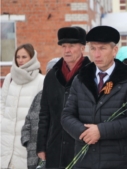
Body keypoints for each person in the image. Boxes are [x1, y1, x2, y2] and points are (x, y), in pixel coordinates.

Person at [61, 26, 127, 169]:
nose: (97, 54)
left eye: (102, 48)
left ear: (115, 51)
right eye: (93, 49)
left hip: (117, 161)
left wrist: (101, 131)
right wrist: (84, 132)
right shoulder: (81, 78)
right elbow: (66, 116)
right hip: (85, 161)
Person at [36, 26, 91, 168]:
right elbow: (44, 113)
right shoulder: (51, 76)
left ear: (82, 48)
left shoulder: (92, 74)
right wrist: (41, 146)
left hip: (82, 146)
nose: (67, 50)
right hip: (55, 146)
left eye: (72, 46)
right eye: (64, 46)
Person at [1, 43, 45, 169]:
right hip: (6, 136)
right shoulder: (10, 78)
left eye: (24, 57)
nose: (20, 60)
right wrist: (2, 122)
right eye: (18, 57)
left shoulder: (41, 80)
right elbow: (2, 102)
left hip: (26, 139)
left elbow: (43, 110)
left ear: (32, 58)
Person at [21, 58, 59, 169]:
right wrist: (28, 142)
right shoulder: (39, 96)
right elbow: (28, 121)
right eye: (49, 72)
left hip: (54, 155)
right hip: (34, 154)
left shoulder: (68, 96)